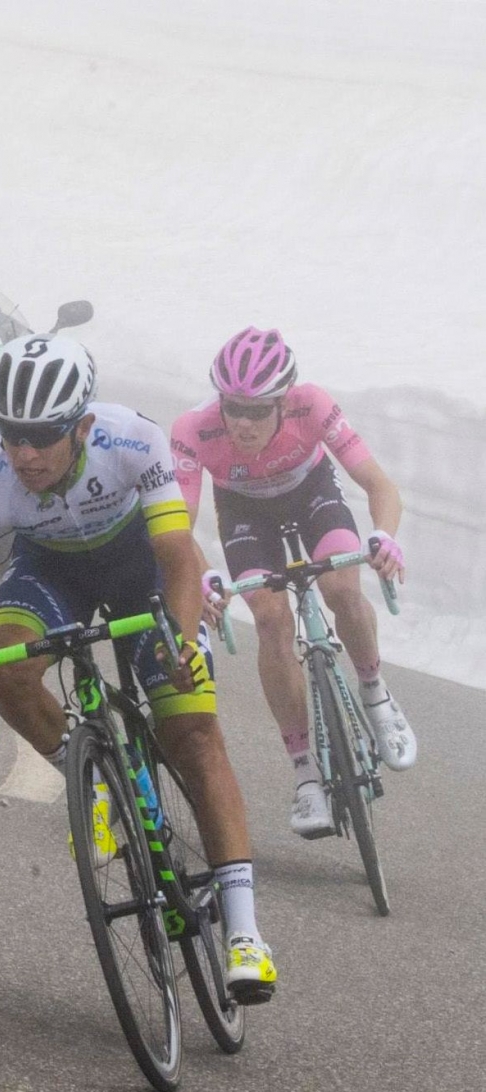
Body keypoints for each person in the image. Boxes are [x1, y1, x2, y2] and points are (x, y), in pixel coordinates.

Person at [0, 333, 279, 1003]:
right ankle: (86, 771)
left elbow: (180, 560)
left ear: (84, 425)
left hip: (139, 567)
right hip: (49, 569)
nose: (24, 453)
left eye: (42, 434)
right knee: (9, 663)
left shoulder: (132, 441)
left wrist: (183, 644)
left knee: (192, 733)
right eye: (12, 433)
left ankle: (244, 933)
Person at [171, 327, 415, 839]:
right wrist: (204, 574)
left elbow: (379, 485)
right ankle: (305, 773)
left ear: (284, 401)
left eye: (259, 410)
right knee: (269, 616)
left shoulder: (313, 405)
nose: (243, 421)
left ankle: (375, 694)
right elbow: (178, 527)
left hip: (311, 494)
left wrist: (385, 538)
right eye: (233, 406)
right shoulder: (194, 430)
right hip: (243, 513)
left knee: (343, 587)